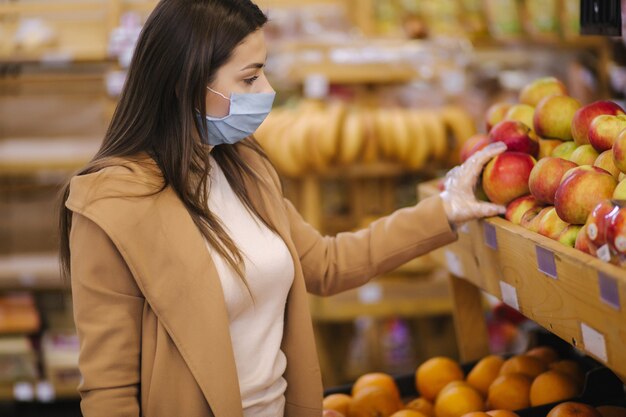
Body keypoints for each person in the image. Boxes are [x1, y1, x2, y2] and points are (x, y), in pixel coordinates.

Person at [57, 1, 506, 416]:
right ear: (184, 85)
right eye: (250, 79)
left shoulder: (243, 167)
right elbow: (109, 391)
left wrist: (446, 207)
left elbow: (327, 264)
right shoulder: (110, 208)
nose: (266, 91)